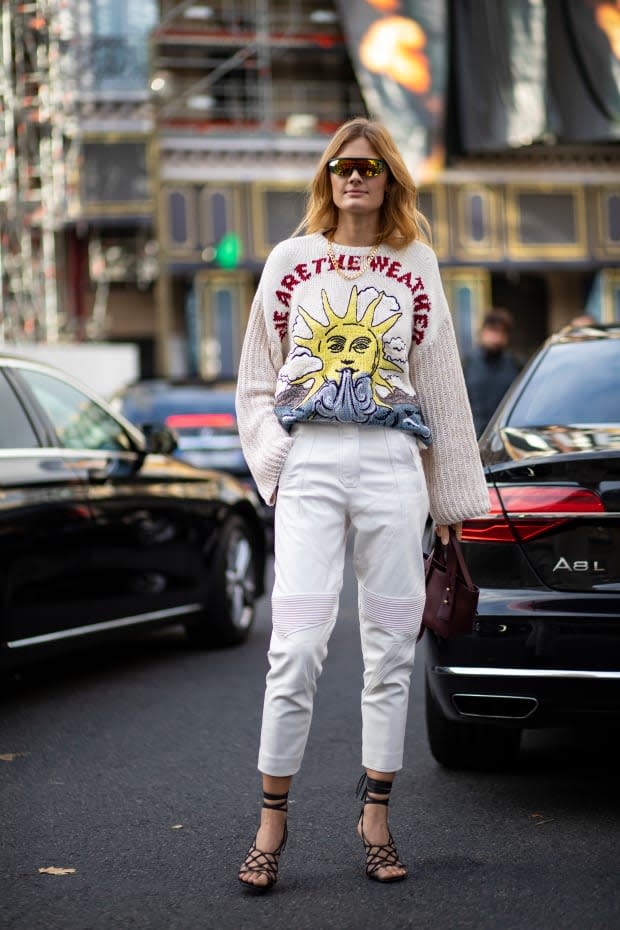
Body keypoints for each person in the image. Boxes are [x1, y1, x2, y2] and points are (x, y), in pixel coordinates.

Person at [235, 117, 489, 891]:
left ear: (389, 179)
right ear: (327, 176)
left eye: (369, 167)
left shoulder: (417, 263)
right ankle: (271, 820)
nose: (354, 178)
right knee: (297, 649)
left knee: (389, 653)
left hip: (390, 466)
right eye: (342, 166)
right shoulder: (291, 260)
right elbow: (254, 377)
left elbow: (441, 381)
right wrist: (277, 458)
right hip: (312, 463)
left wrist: (448, 497)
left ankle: (375, 815)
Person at [462, 308, 521, 437]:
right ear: (483, 332)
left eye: (502, 332)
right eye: (493, 330)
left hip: (504, 436)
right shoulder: (467, 363)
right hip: (473, 436)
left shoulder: (515, 363)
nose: (497, 337)